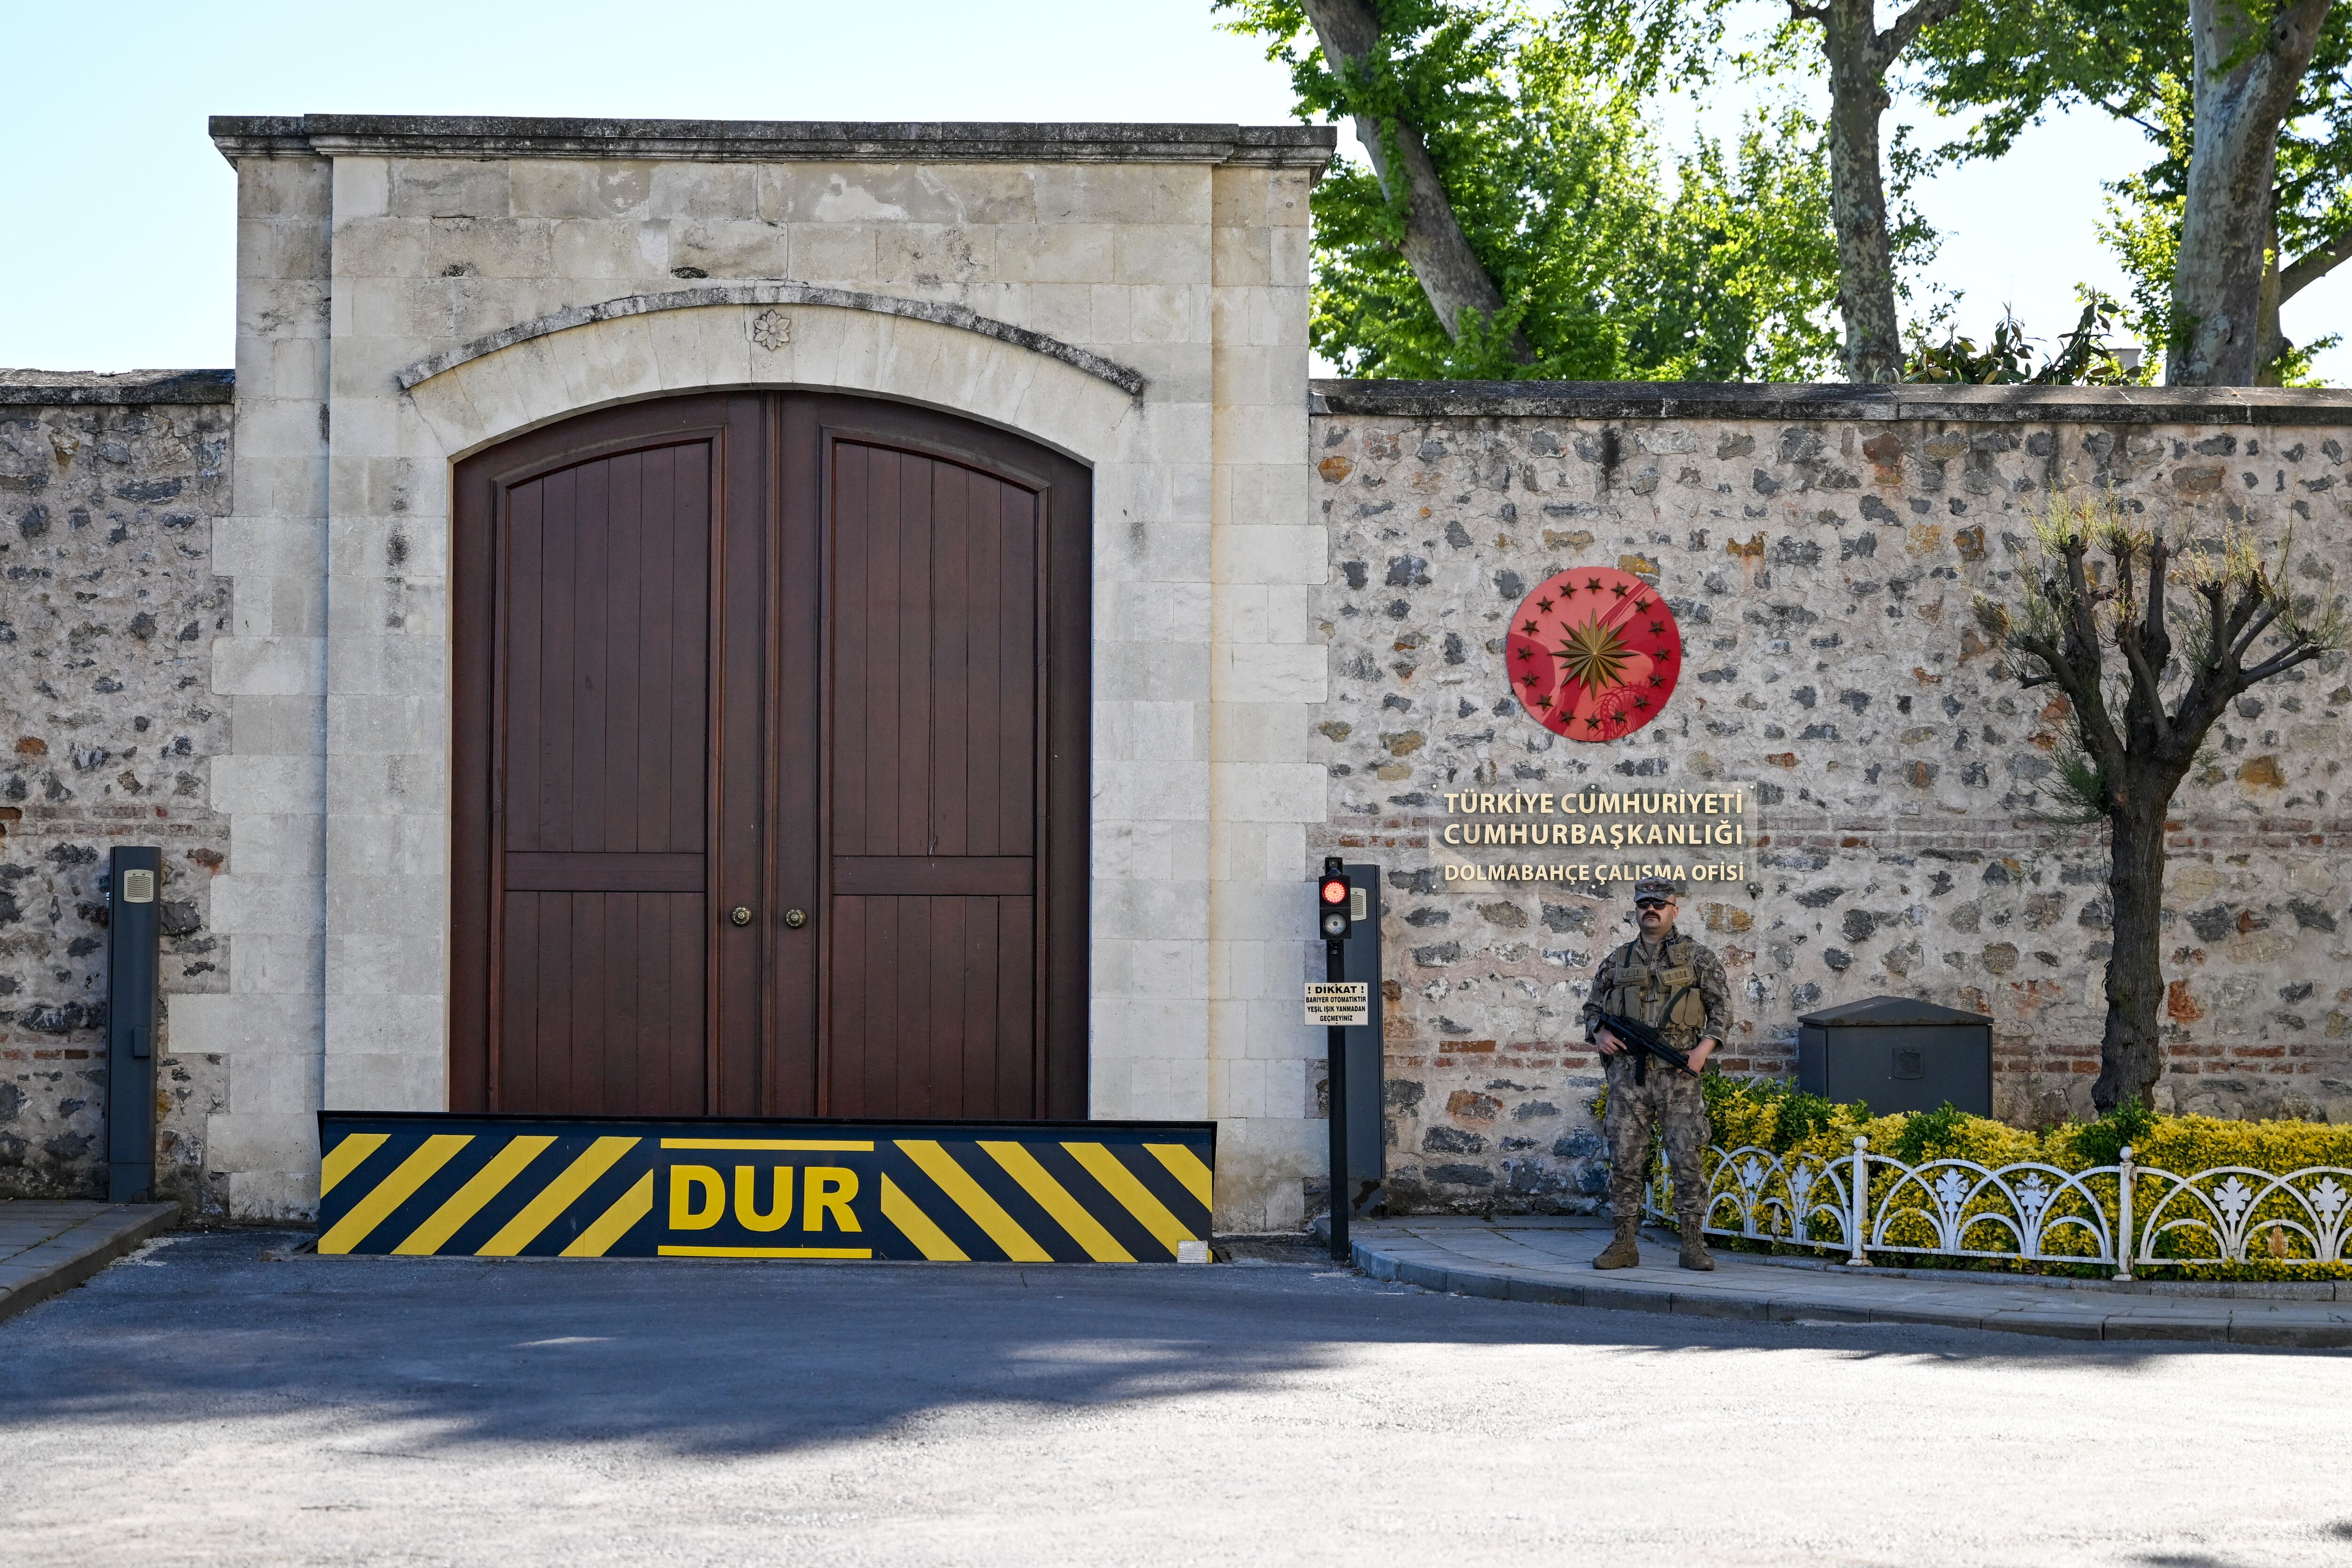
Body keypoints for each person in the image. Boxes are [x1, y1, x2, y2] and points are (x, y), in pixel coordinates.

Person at [1581, 877, 1732, 1271]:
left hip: (1679, 1075)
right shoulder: (1618, 960)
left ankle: (1693, 1245)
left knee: (1687, 1159)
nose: (1652, 908)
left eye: (1660, 903)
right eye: (1644, 902)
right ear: (1636, 909)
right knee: (1625, 1160)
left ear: (1674, 909)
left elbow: (1722, 1010)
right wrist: (1600, 1033)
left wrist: (1703, 1051)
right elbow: (1592, 1007)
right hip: (1629, 1077)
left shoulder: (1698, 957)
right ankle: (1623, 1244)